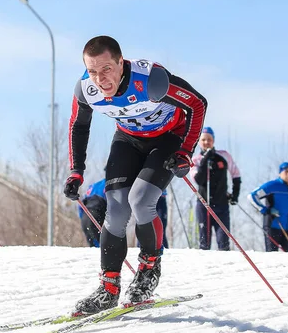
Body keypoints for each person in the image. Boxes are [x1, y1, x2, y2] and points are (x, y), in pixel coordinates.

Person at [63, 36, 207, 313]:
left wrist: (186, 151)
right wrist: (76, 172)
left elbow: (197, 104)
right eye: (92, 71)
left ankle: (148, 271)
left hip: (168, 138)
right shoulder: (85, 90)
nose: (100, 79)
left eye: (106, 69)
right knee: (115, 209)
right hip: (129, 140)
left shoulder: (151, 80)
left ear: (120, 62)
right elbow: (78, 126)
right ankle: (109, 288)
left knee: (141, 200)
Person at [190, 126, 241, 251]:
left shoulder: (224, 155)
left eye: (209, 139)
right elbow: (198, 179)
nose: (206, 142)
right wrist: (205, 159)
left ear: (213, 140)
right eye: (203, 140)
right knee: (204, 242)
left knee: (223, 242)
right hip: (204, 204)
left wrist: (235, 195)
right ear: (199, 141)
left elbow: (236, 174)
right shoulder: (196, 160)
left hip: (221, 204)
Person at [248, 162, 288, 252]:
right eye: (286, 171)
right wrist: (265, 210)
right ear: (280, 173)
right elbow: (252, 196)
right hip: (273, 225)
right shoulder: (272, 186)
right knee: (272, 256)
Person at [78, 178, 107, 247]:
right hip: (96, 216)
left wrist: (82, 217)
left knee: (93, 246)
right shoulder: (109, 185)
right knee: (102, 247)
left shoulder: (93, 186)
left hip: (85, 217)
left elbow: (81, 205)